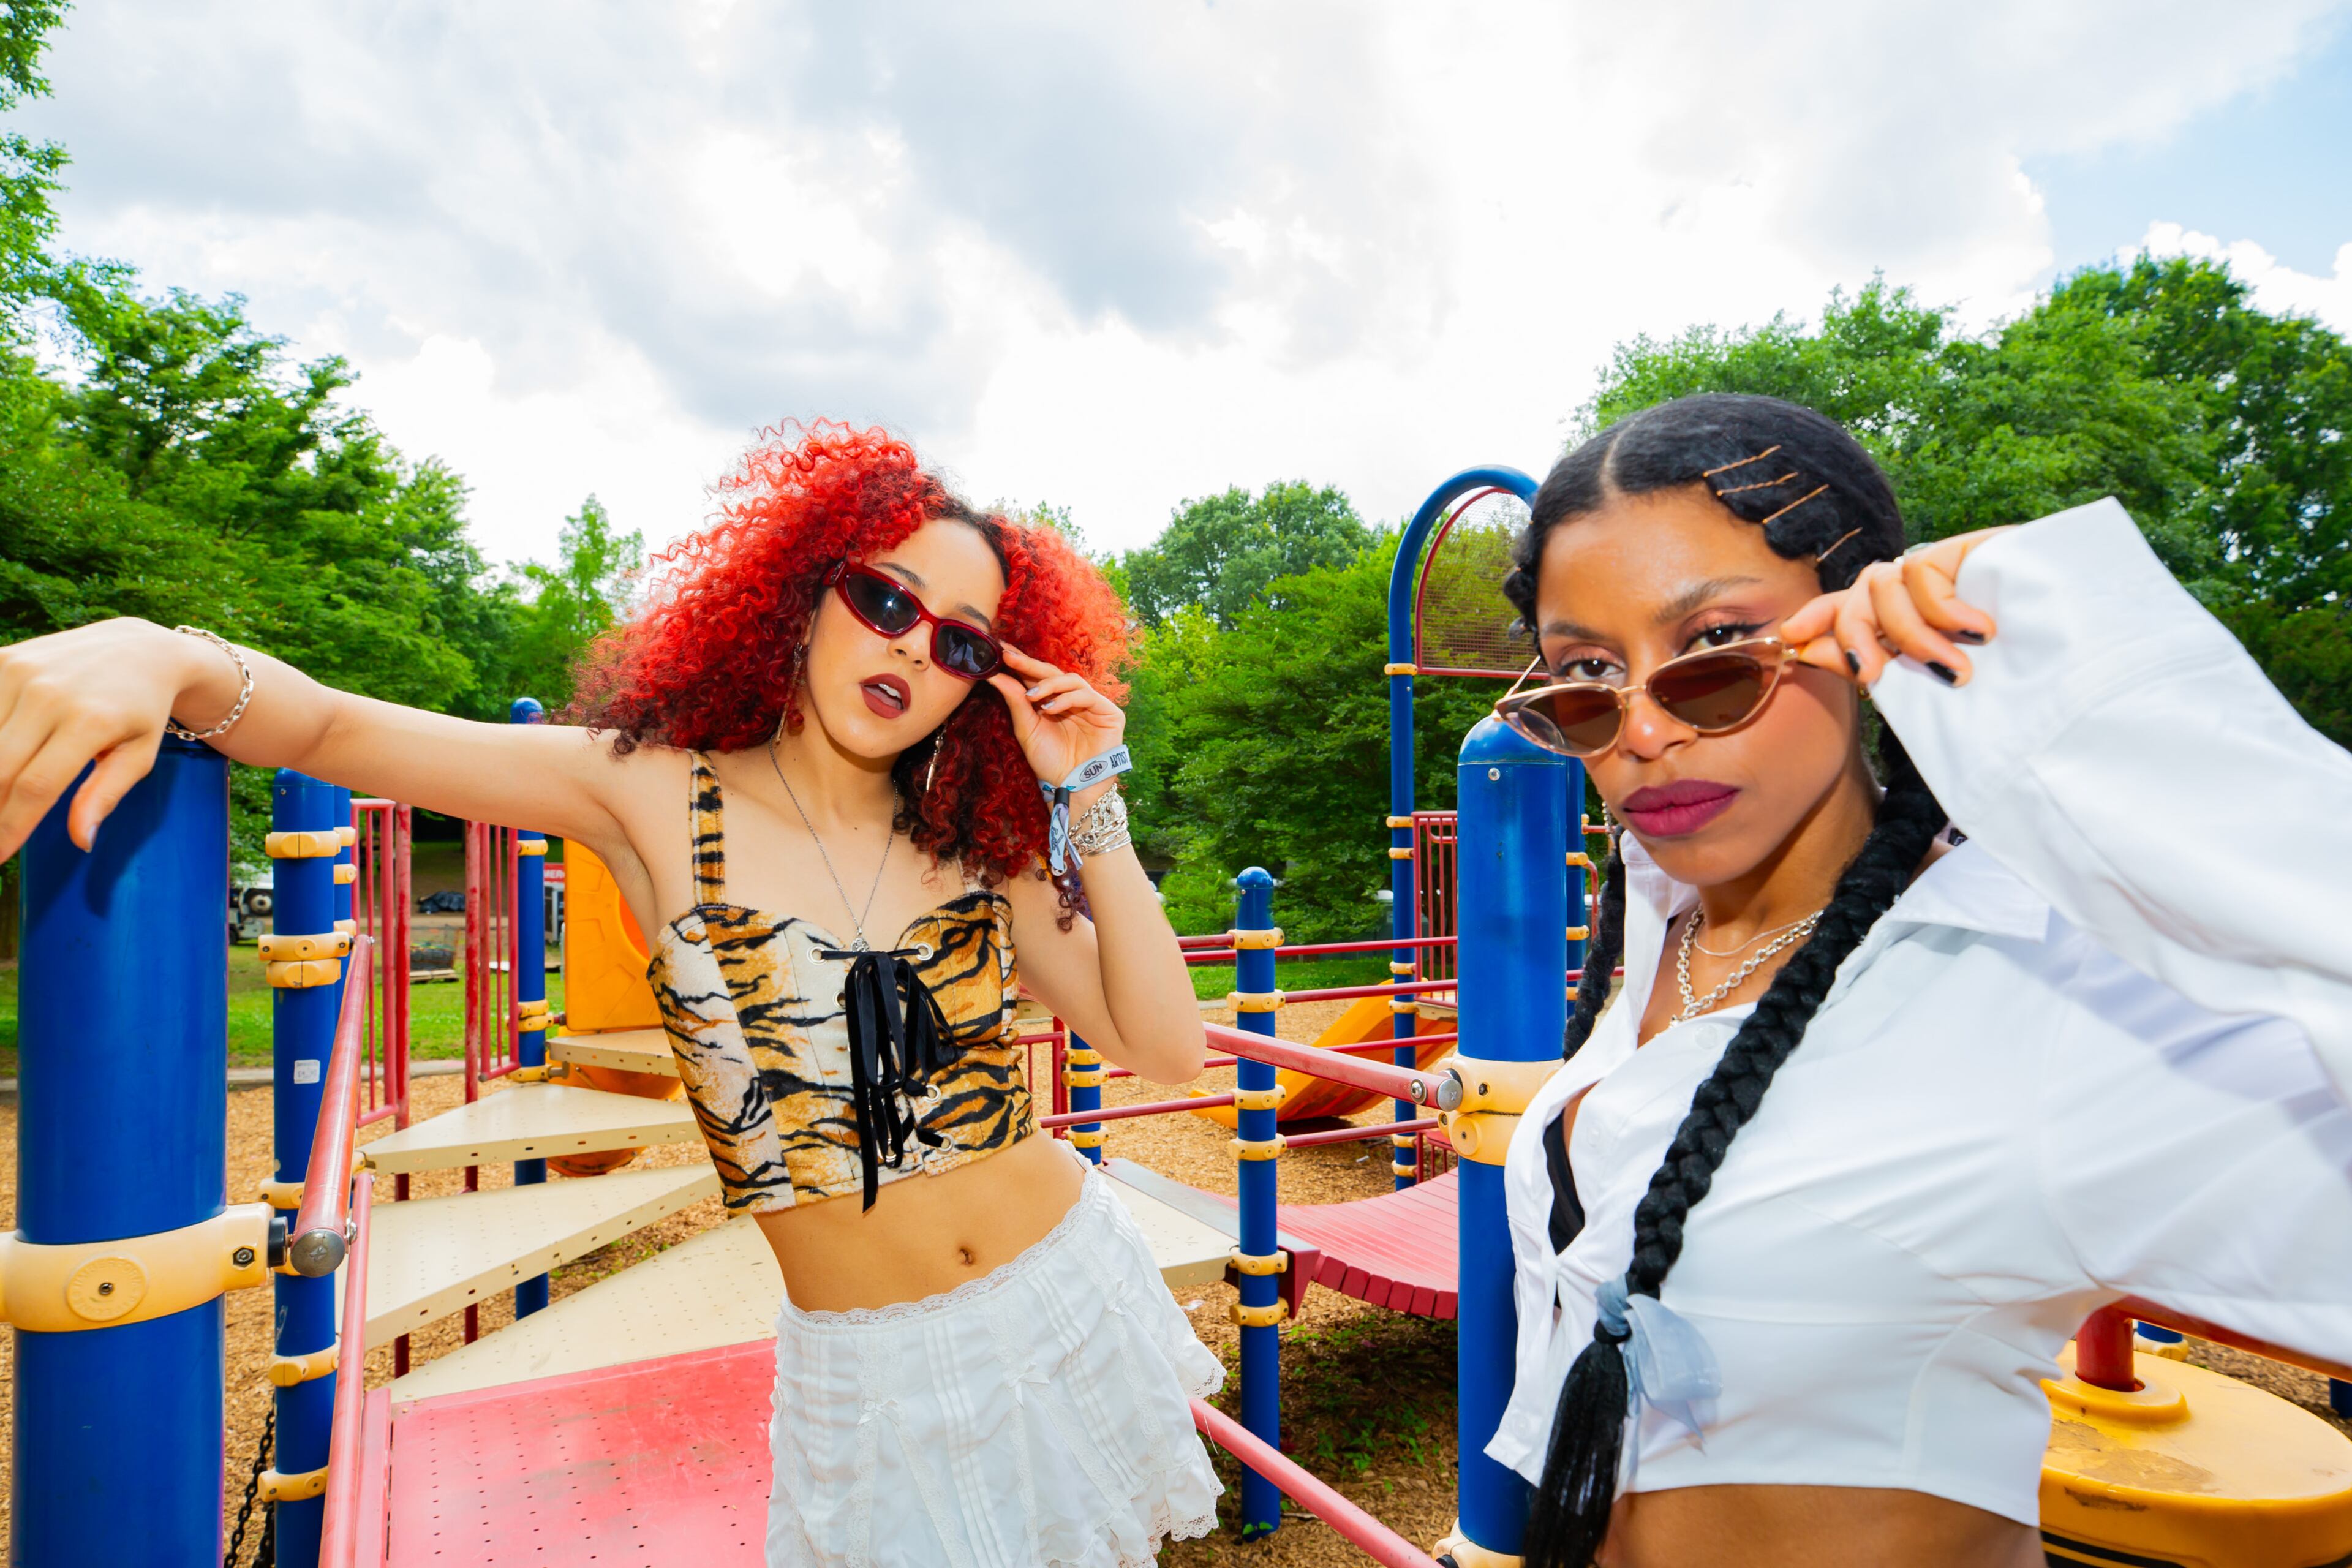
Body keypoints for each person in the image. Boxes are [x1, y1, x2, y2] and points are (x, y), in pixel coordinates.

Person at [0, 422, 1224, 1568]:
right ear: (804, 593)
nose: (914, 643)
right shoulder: (649, 794)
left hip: (1067, 1291)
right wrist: (161, 651)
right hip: (877, 1372)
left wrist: (1090, 794)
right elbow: (332, 728)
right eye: (887, 597)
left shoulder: (975, 842)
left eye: (963, 639)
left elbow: (1165, 1046)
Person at [1480, 393, 2352, 1567]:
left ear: (1858, 627)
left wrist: (2071, 652)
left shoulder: (2040, 998)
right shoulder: (1653, 931)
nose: (1640, 730)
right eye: (1585, 673)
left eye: (1712, 651)